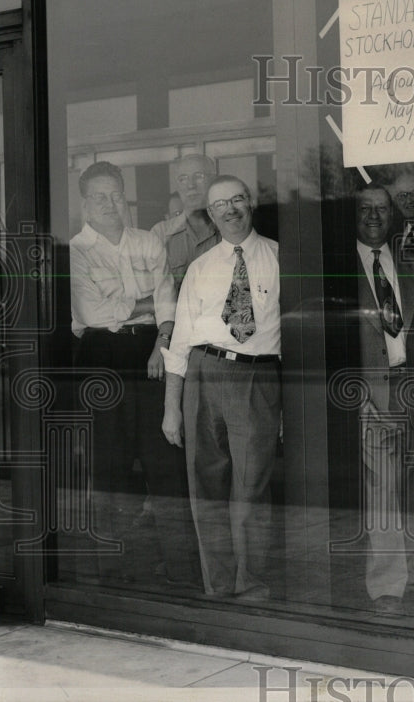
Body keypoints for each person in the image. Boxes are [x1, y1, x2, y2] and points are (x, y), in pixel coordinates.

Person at [70, 161, 200, 587]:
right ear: (84, 203)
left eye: (115, 196)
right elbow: (92, 312)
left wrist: (161, 339)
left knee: (167, 469)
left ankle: (183, 576)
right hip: (99, 361)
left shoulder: (148, 242)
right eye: (99, 197)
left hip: (152, 354)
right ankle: (115, 576)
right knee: (110, 473)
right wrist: (147, 307)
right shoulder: (75, 251)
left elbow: (168, 300)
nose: (109, 204)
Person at [161, 176, 281, 600]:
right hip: (203, 373)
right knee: (206, 488)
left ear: (251, 203)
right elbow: (179, 342)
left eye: (237, 200)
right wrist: (171, 407)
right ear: (210, 214)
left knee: (251, 488)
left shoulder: (280, 257)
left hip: (257, 377)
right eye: (220, 205)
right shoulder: (200, 267)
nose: (230, 210)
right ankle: (218, 586)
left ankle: (253, 584)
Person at [349, 184, 414, 616]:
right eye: (365, 209)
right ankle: (386, 586)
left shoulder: (409, 261)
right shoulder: (337, 267)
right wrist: (356, 395)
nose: (374, 216)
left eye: (382, 209)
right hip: (370, 394)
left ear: (393, 215)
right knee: (382, 492)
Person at [163, 153, 221, 289]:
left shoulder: (230, 229)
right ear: (177, 186)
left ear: (213, 181)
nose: (191, 185)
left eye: (199, 176)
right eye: (183, 179)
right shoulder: (161, 234)